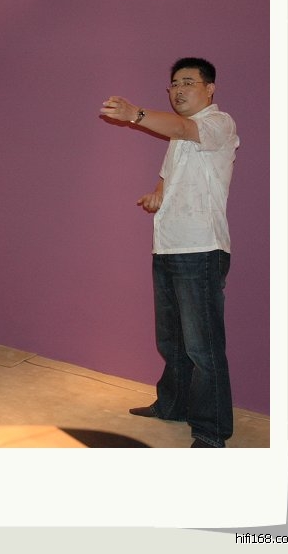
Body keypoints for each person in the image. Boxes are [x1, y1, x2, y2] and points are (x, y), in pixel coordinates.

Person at [99, 57, 239, 449]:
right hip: (168, 246)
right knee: (172, 341)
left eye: (188, 82)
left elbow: (182, 127)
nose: (179, 90)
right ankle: (173, 404)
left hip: (201, 249)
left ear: (209, 88)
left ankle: (211, 432)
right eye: (174, 84)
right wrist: (157, 195)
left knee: (202, 347)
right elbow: (168, 177)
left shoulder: (218, 123)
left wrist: (135, 114)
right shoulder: (178, 138)